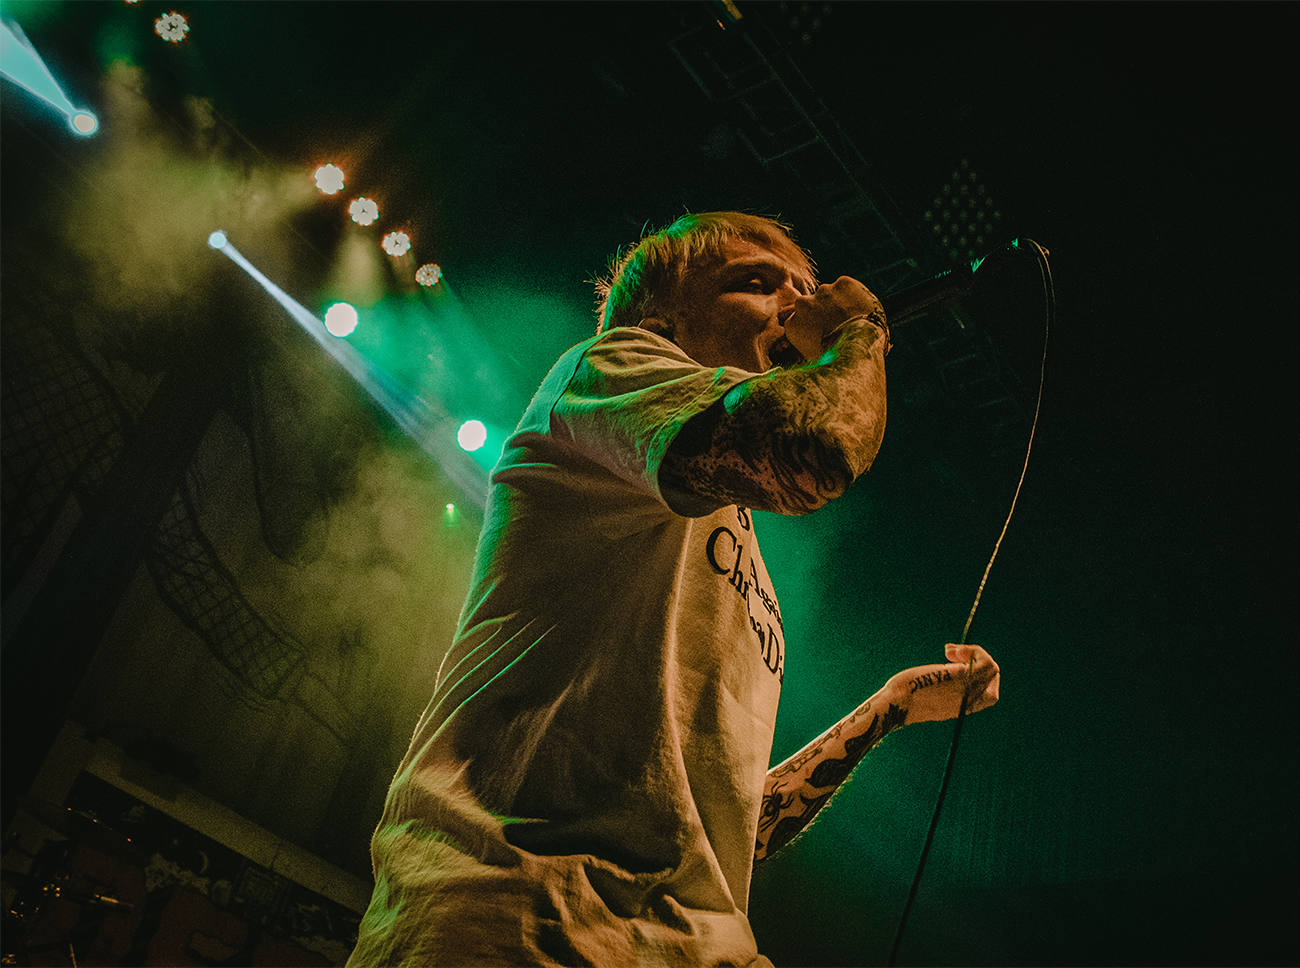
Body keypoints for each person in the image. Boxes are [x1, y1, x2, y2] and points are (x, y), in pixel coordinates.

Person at [348, 212, 1001, 967]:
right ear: (661, 320)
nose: (798, 305)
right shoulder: (606, 371)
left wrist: (889, 709)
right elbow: (818, 445)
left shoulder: (740, 561)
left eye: (806, 289)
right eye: (757, 283)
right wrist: (861, 330)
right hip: (523, 911)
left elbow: (725, 835)